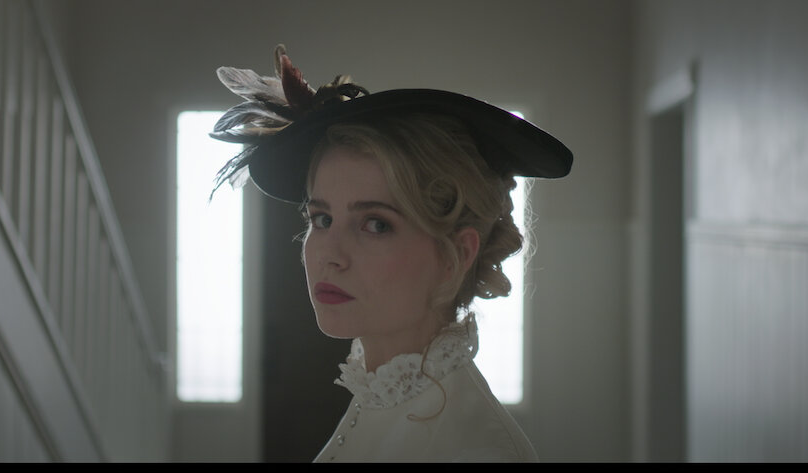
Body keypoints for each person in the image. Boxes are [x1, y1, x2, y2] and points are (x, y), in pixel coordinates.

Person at [209, 45, 572, 462]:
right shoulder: (381, 392)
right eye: (322, 218)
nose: (330, 255)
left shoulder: (476, 451)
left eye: (376, 224)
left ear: (457, 253)